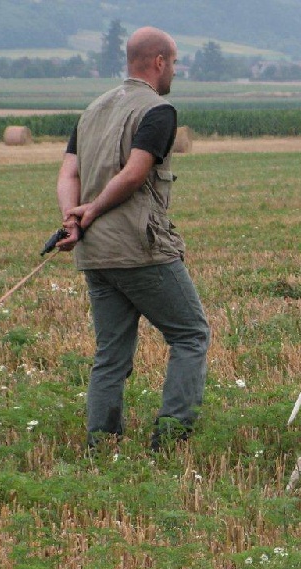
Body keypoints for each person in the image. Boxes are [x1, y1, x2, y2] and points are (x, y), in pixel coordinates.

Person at [55, 26, 210, 451]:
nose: (174, 70)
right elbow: (136, 172)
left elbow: (69, 175)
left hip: (95, 253)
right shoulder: (158, 111)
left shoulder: (92, 110)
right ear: (159, 62)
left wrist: (74, 219)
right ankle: (172, 435)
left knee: (110, 354)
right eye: (174, 62)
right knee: (190, 335)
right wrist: (91, 211)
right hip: (138, 248)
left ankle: (101, 442)